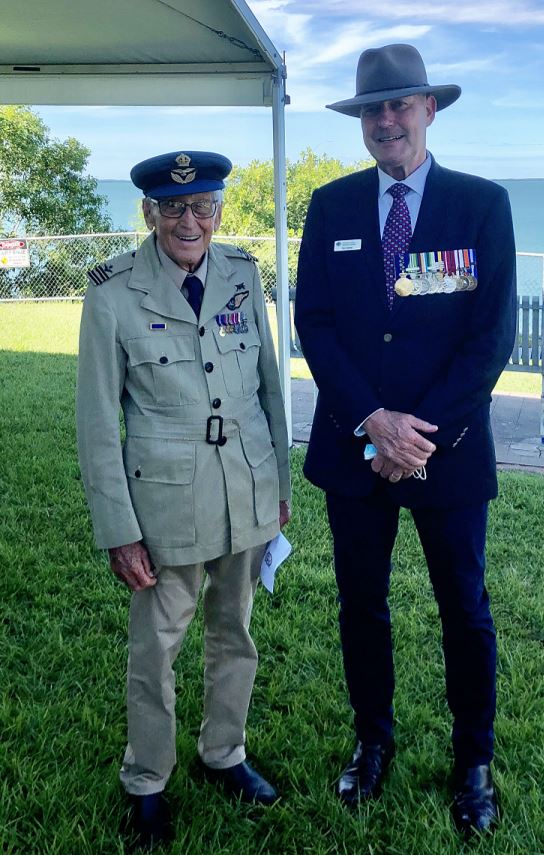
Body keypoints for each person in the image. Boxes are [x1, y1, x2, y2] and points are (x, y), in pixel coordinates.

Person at [295, 44, 516, 834]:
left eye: (399, 105)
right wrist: (372, 421)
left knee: (465, 606)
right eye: (371, 110)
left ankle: (474, 758)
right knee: (363, 604)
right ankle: (372, 739)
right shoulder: (331, 206)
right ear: (361, 121)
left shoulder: (480, 204)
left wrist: (421, 434)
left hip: (446, 453)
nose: (385, 120)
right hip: (355, 449)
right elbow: (314, 322)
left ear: (428, 109)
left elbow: (490, 337)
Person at [76, 150, 290, 851]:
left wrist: (278, 491)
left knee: (237, 635)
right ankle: (147, 779)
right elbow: (97, 424)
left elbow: (269, 391)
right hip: (164, 506)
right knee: (155, 650)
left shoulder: (242, 274)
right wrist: (118, 529)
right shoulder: (112, 292)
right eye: (173, 209)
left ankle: (224, 752)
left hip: (246, 491)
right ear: (149, 213)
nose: (189, 221)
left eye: (202, 206)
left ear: (220, 210)